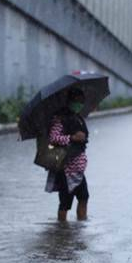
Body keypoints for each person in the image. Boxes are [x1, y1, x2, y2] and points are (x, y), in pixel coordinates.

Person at [45, 88, 89, 221]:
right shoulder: (60, 119)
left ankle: (79, 227)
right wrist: (71, 138)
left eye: (82, 101)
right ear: (70, 101)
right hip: (66, 169)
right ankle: (62, 231)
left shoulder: (78, 118)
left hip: (78, 170)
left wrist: (81, 137)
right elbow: (53, 137)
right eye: (77, 101)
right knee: (65, 204)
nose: (79, 104)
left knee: (84, 197)